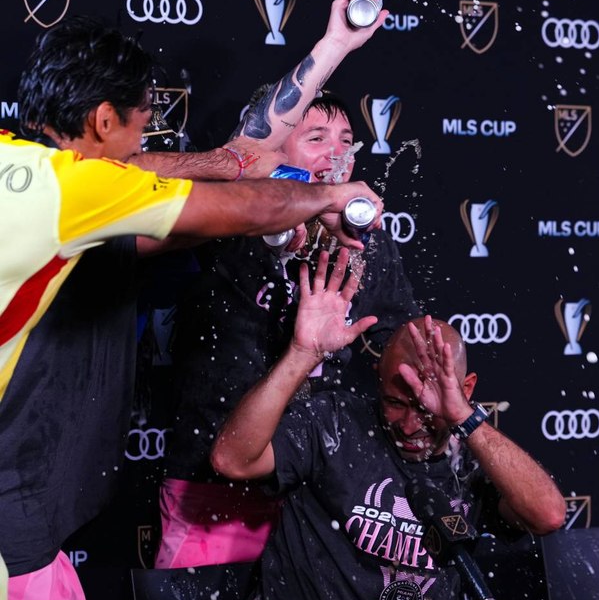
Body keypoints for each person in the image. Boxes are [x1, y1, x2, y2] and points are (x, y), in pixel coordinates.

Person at [0, 0, 385, 600]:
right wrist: (330, 195)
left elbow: (224, 160)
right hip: (13, 524)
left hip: (31, 525)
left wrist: (334, 44)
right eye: (141, 121)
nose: (146, 135)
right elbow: (243, 203)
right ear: (103, 121)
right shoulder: (74, 191)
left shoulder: (32, 162)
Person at [210, 249, 565, 600]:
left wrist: (463, 418)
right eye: (396, 402)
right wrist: (302, 354)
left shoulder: (470, 461)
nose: (410, 425)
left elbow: (549, 515)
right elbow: (231, 459)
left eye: (426, 410)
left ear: (465, 390)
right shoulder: (333, 424)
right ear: (379, 379)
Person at [156, 91, 422, 569]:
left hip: (320, 489)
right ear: (274, 150)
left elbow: (401, 341)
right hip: (214, 486)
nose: (335, 154)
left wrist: (429, 367)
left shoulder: (369, 246)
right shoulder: (227, 221)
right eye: (316, 138)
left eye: (345, 141)